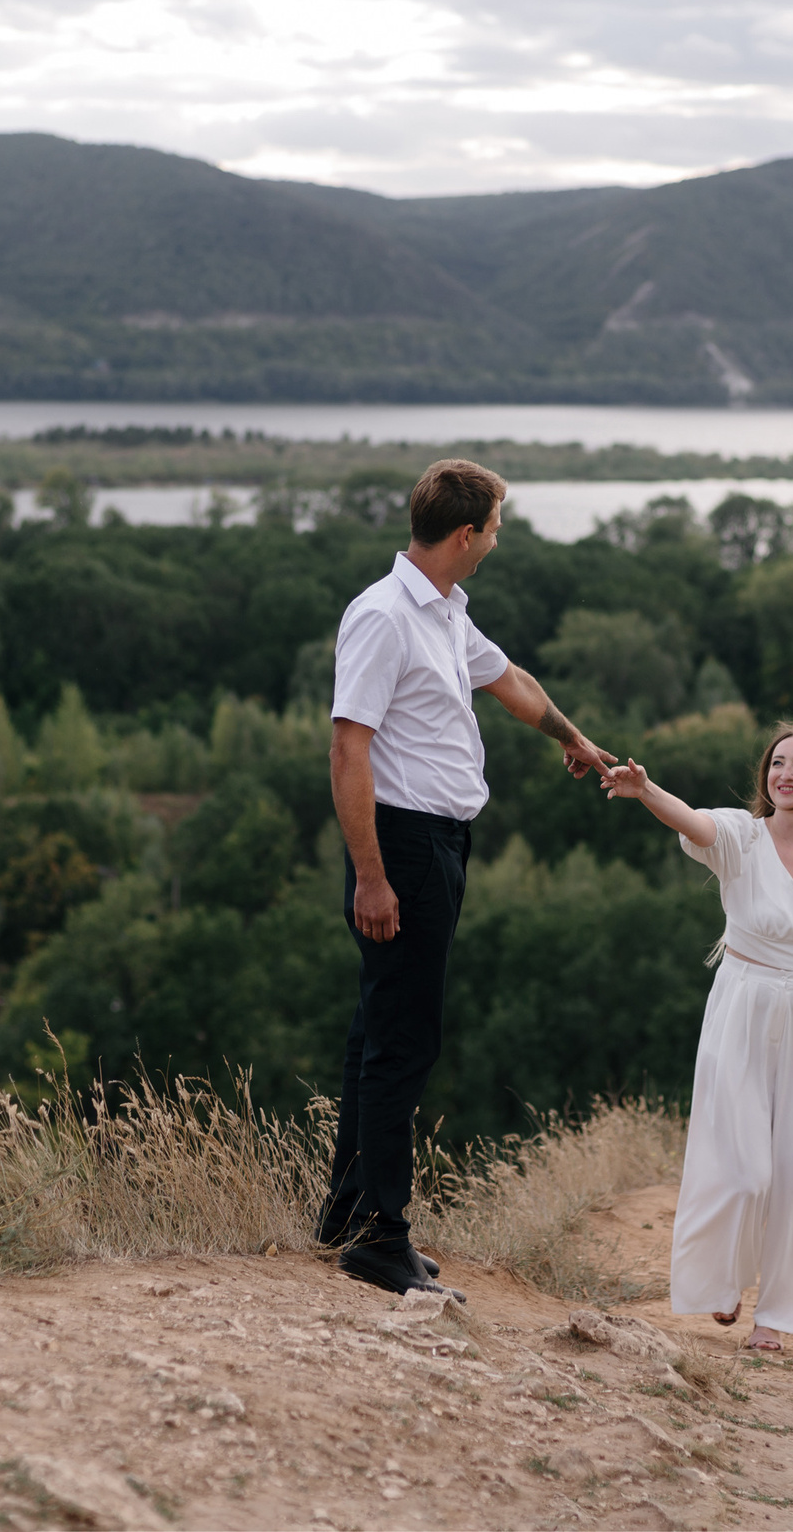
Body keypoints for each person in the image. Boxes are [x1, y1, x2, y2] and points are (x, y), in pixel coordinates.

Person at [321, 458, 616, 1297]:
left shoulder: (446, 610)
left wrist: (575, 738)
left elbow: (510, 680)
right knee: (404, 1040)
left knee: (377, 1028)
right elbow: (349, 749)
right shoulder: (382, 617)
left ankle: (346, 1213)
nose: (496, 540)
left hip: (443, 842)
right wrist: (372, 879)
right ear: (465, 533)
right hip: (402, 846)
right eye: (493, 528)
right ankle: (382, 1238)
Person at [603, 723, 793, 1351]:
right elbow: (692, 821)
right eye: (777, 764)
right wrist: (646, 789)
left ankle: (778, 1316)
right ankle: (724, 1277)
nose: (784, 775)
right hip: (742, 1008)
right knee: (744, 1168)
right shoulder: (740, 836)